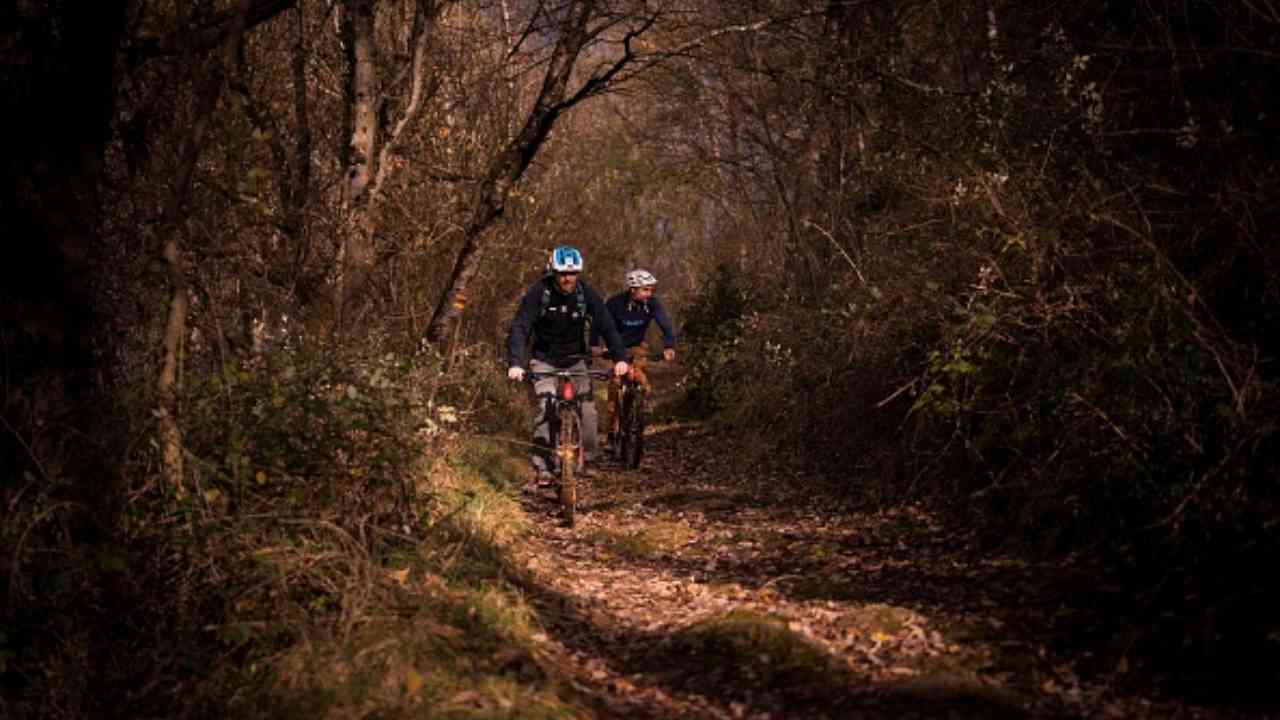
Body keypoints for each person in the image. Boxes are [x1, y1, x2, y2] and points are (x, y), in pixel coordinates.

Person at [507, 245, 630, 483]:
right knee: (546, 407)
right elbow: (520, 327)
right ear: (554, 272)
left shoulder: (586, 294)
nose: (567, 278)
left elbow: (607, 326)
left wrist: (620, 358)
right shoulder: (539, 293)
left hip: (576, 359)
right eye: (563, 273)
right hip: (544, 359)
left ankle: (589, 458)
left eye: (572, 274)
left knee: (588, 410)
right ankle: (542, 466)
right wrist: (515, 363)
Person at [589, 268, 676, 452]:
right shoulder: (614, 303)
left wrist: (669, 345)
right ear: (633, 289)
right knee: (615, 385)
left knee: (638, 375)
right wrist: (594, 344)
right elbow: (598, 323)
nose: (649, 294)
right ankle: (612, 433)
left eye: (651, 290)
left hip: (637, 347)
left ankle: (640, 406)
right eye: (645, 290)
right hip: (614, 348)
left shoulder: (651, 304)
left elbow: (666, 324)